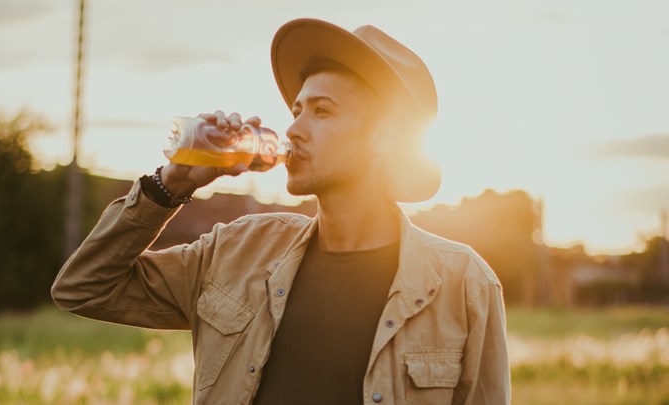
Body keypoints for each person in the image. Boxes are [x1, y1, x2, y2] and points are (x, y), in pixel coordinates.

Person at [51, 18, 510, 405]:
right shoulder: (236, 251)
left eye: (322, 112)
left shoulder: (464, 285)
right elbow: (83, 289)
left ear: (384, 137)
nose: (294, 128)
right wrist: (169, 187)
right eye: (296, 110)